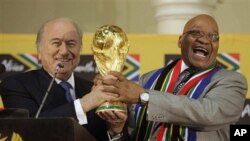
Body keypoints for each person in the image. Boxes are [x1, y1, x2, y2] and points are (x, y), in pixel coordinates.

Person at [97, 14, 248, 141]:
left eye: (213, 37)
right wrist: (117, 129)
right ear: (180, 40)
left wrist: (145, 97)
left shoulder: (231, 81)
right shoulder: (148, 79)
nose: (205, 40)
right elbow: (137, 131)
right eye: (196, 33)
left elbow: (208, 114)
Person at [0, 18, 128, 141]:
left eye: (71, 43)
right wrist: (84, 103)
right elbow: (28, 130)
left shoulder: (94, 90)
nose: (64, 51)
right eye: (56, 43)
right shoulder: (16, 85)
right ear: (39, 50)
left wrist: (115, 131)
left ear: (80, 49)